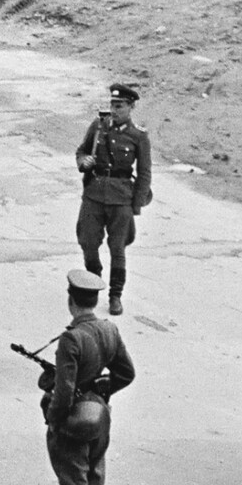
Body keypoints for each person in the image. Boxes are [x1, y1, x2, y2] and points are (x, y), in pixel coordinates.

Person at [36, 265, 135, 485]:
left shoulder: (72, 339)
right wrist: (102, 390)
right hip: (100, 414)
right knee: (94, 478)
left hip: (76, 419)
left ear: (71, 300)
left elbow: (63, 391)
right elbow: (126, 373)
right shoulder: (109, 329)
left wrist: (54, 420)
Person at [75, 84, 152, 317]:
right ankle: (94, 277)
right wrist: (83, 162)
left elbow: (145, 173)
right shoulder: (98, 126)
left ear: (131, 107)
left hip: (121, 199)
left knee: (117, 248)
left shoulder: (138, 136)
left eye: (119, 106)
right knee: (87, 241)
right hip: (94, 193)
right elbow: (81, 151)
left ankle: (115, 295)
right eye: (112, 105)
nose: (114, 110)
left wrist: (135, 205)